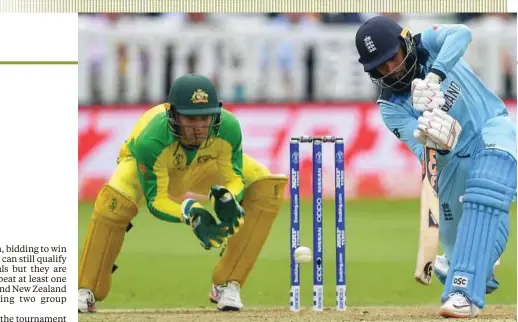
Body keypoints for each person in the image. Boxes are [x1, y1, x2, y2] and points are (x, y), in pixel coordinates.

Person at [78, 73, 288, 313]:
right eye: (191, 119)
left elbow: (234, 178)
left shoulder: (227, 128)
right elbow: (157, 200)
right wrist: (189, 210)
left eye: (205, 118)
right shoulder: (152, 141)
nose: (199, 127)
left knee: (266, 187)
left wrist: (228, 196)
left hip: (201, 166)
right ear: (174, 116)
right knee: (113, 202)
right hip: (145, 167)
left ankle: (228, 284)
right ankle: (87, 289)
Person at [355, 15, 516, 318]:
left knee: (489, 180)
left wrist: (435, 77)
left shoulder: (427, 44)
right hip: (452, 166)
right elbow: (426, 157)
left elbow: (463, 32)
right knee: (477, 248)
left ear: (405, 44)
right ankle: (459, 263)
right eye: (381, 67)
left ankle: (462, 291)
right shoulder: (391, 107)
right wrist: (436, 142)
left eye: (393, 58)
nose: (391, 69)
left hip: (490, 128)